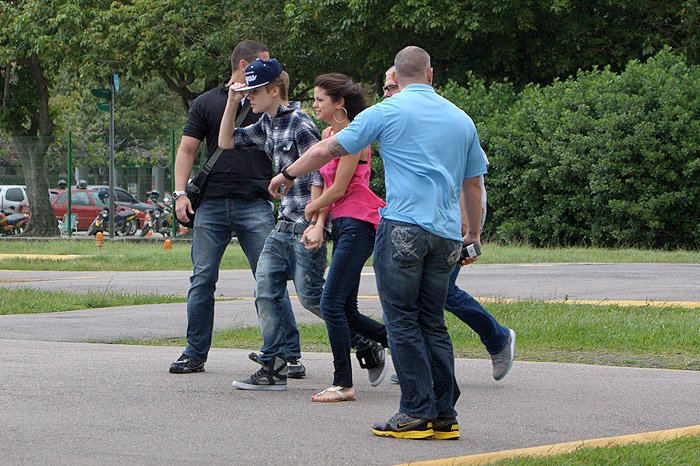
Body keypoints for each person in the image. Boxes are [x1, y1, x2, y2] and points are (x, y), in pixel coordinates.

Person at [269, 46, 484, 440]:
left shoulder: (387, 112)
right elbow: (474, 184)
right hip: (447, 234)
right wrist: (473, 234)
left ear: (397, 79)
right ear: (431, 75)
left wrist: (286, 173)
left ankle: (415, 413)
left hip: (403, 229)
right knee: (431, 321)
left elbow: (325, 149)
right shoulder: (461, 119)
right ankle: (443, 414)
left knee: (401, 320)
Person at [218, 59, 381, 390]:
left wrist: (319, 222)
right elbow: (225, 142)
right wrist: (232, 102)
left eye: (253, 92)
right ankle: (274, 364)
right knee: (265, 289)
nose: (249, 97)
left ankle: (365, 342)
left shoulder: (302, 125)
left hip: (307, 224)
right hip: (283, 224)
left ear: (274, 90)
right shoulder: (266, 124)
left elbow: (321, 175)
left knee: (313, 298)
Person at [169, 40, 299, 375]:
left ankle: (289, 353)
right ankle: (195, 352)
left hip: (254, 201)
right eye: (262, 64)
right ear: (244, 64)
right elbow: (187, 151)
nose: (271, 73)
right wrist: (180, 192)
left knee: (269, 277)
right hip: (210, 203)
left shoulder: (266, 106)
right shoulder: (206, 103)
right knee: (202, 279)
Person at [382, 68, 516, 384]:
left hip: (453, 218)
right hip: (429, 221)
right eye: (385, 88)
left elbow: (470, 179)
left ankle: (496, 339)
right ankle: (423, 363)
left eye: (392, 86)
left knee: (440, 294)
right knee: (427, 294)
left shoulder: (443, 118)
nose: (387, 93)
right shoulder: (401, 121)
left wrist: (468, 228)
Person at [305, 74, 389, 403]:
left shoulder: (355, 137)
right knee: (347, 311)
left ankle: (343, 384)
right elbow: (328, 188)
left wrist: (310, 207)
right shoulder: (328, 135)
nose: (314, 105)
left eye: (319, 99)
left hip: (359, 221)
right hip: (341, 223)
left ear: (339, 103)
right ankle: (409, 345)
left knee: (330, 302)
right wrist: (317, 222)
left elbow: (339, 189)